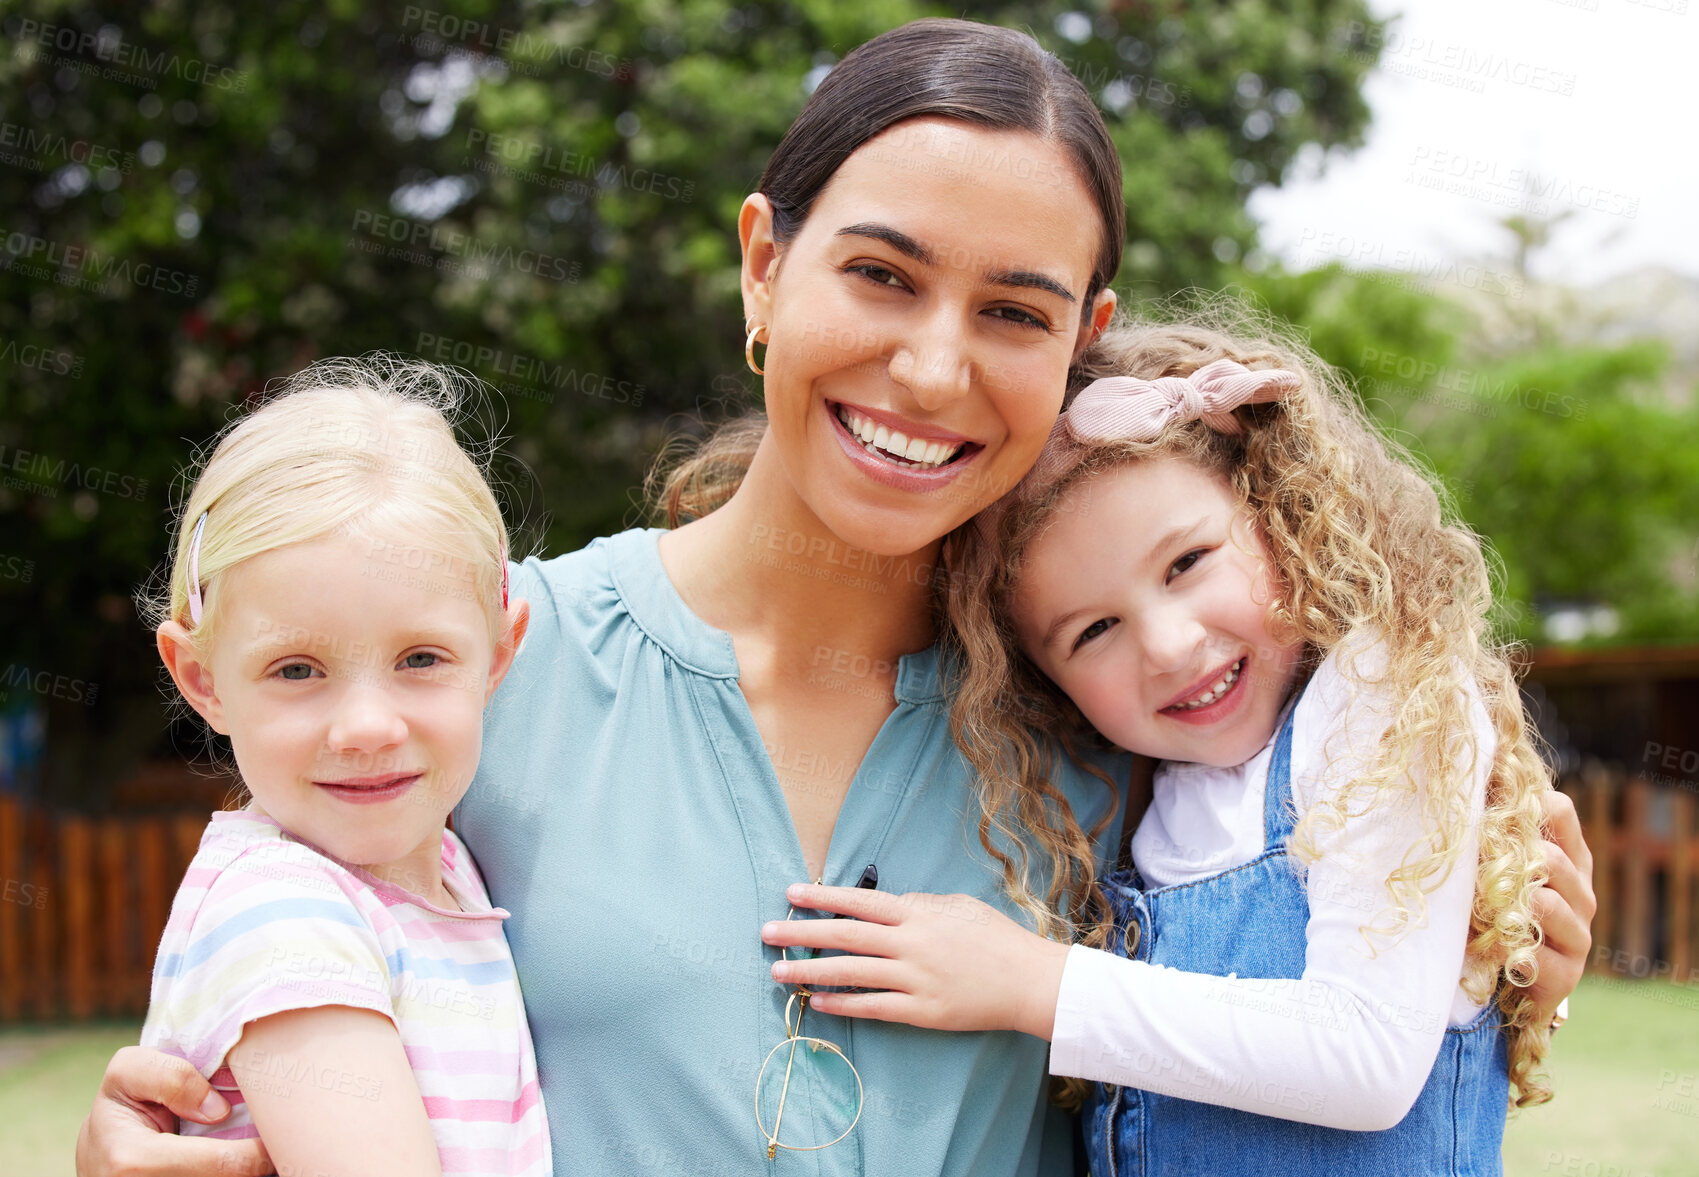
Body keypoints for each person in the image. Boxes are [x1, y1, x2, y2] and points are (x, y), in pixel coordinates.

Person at [76, 20, 1595, 1177]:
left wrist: (1513, 925)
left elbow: (1346, 945)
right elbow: (255, 981)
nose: (931, 368)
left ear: (1081, 342)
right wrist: (130, 1145)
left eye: (1013, 311)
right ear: (761, 266)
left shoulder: (1127, 708)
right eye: (879, 275)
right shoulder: (472, 671)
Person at [761, 313, 1558, 1174]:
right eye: (1093, 629)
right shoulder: (1154, 792)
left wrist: (1032, 981)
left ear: (1276, 509)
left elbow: (1366, 1058)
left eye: (1186, 563)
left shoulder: (1380, 695)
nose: (1170, 646)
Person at [134, 357, 548, 1177]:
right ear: (203, 680)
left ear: (499, 654)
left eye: (420, 657)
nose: (365, 726)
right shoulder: (281, 911)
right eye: (296, 669)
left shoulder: (450, 869)